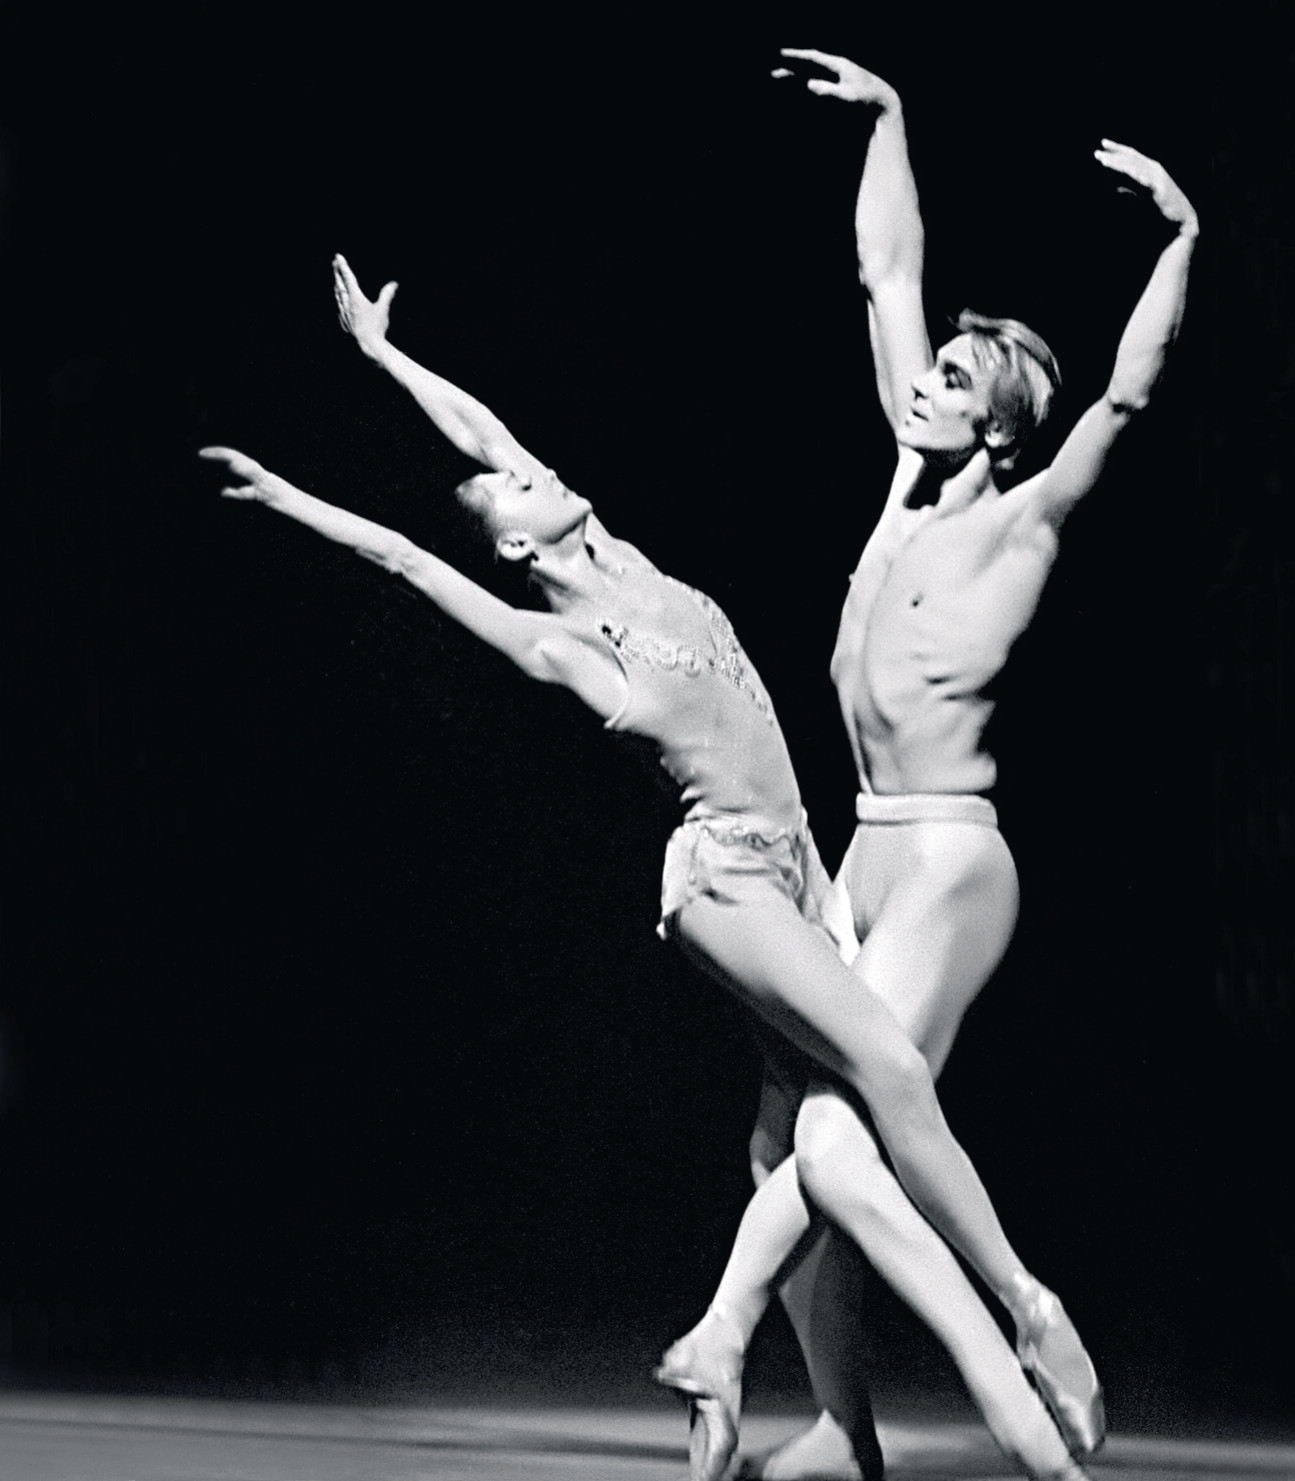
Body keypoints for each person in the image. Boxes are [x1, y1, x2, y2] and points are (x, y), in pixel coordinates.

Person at [196, 239, 1116, 1481]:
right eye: (514, 491)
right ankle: (1018, 1336)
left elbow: (483, 430)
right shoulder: (572, 646)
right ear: (518, 549)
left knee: (792, 1153)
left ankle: (801, 1407)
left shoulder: (612, 551)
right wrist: (287, 496)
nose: (530, 473)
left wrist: (383, 357)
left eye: (525, 470)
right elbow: (409, 560)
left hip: (800, 866)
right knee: (888, 1073)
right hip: (725, 886)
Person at [655, 48, 1198, 1481]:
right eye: (930, 372)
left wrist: (1182, 242)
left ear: (994, 421)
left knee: (842, 1142)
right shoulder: (904, 482)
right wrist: (890, 119)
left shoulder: (1016, 525)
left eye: (951, 380)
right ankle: (845, 1428)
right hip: (863, 844)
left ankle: (1011, 1312)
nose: (922, 384)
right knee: (781, 1148)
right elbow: (886, 273)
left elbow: (1125, 401)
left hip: (953, 859)